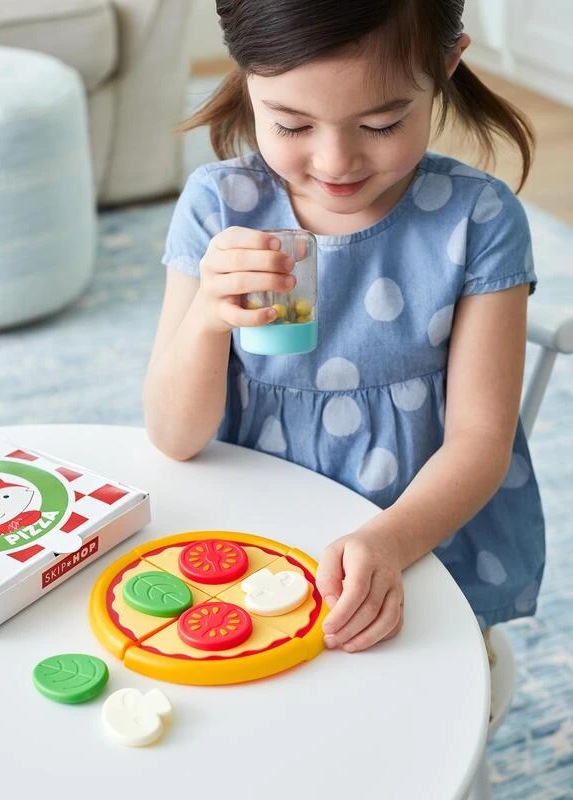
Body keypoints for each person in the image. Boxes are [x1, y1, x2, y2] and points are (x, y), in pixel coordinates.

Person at [143, 0, 545, 659]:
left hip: (421, 538)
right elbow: (173, 436)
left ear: (446, 65)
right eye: (292, 124)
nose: (335, 162)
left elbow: (480, 441)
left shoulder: (478, 219)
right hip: (253, 543)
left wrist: (389, 542)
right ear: (245, 73)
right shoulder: (219, 207)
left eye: (381, 124)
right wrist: (208, 319)